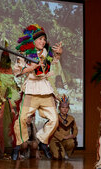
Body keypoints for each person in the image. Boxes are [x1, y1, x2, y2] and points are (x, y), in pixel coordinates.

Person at [12, 24, 63, 160]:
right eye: (40, 39)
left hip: (45, 90)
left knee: (54, 120)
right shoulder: (25, 54)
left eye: (44, 40)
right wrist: (30, 68)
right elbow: (16, 71)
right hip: (31, 90)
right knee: (22, 119)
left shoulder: (47, 53)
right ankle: (19, 145)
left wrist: (57, 54)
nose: (43, 42)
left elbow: (53, 69)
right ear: (33, 41)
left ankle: (41, 140)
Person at [49, 94, 78, 159]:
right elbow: (53, 130)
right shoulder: (55, 117)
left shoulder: (71, 118)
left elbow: (75, 129)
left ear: (68, 108)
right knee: (58, 156)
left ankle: (66, 153)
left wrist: (73, 135)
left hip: (66, 140)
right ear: (59, 108)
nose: (65, 109)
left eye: (66, 108)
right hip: (55, 140)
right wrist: (64, 137)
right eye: (63, 107)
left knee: (72, 142)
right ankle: (55, 152)